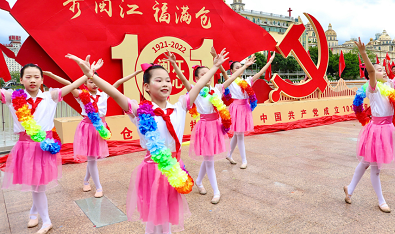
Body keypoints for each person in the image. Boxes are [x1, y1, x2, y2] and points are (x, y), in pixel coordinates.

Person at [67, 52, 229, 234]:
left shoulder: (180, 106)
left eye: (167, 80)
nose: (165, 84)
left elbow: (199, 84)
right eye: (158, 80)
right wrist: (91, 76)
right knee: (153, 219)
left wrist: (215, 67)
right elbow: (114, 93)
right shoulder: (140, 111)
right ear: (146, 86)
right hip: (152, 169)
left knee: (167, 217)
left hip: (174, 167)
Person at [1, 63, 87, 234]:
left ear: (42, 80)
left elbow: (73, 86)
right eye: (28, 77)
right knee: (36, 183)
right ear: (21, 79)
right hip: (25, 147)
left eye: (36, 77)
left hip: (44, 146)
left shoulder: (51, 96)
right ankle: (36, 214)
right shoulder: (12, 97)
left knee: (38, 184)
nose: (32, 80)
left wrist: (87, 74)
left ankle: (44, 219)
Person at [43, 65, 142, 198]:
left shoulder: (104, 94)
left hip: (100, 128)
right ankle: (99, 187)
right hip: (87, 128)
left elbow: (119, 82)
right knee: (92, 159)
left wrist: (136, 72)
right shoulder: (81, 95)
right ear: (85, 83)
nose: (94, 84)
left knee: (92, 158)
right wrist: (51, 75)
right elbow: (69, 84)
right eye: (90, 81)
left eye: (95, 81)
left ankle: (85, 180)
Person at [174, 52, 256, 204]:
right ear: (197, 79)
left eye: (208, 73)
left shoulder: (217, 89)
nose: (207, 76)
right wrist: (174, 65)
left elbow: (232, 77)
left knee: (208, 157)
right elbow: (184, 79)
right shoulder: (196, 91)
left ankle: (198, 181)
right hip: (204, 128)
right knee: (209, 159)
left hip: (216, 127)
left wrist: (245, 66)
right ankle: (216, 191)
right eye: (203, 74)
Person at [344, 38, 395, 213]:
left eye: (384, 69)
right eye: (380, 70)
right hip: (376, 130)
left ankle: (349, 189)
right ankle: (381, 200)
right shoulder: (373, 87)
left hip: (387, 129)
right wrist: (363, 53)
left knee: (367, 162)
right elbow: (370, 70)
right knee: (375, 167)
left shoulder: (389, 85)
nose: (384, 71)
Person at [219, 51, 275, 169]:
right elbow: (223, 72)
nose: (240, 69)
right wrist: (217, 60)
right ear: (232, 71)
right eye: (237, 67)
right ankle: (244, 160)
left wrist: (269, 61)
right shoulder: (230, 81)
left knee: (238, 133)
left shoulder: (248, 80)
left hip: (245, 108)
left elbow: (260, 73)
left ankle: (229, 154)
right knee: (240, 135)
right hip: (236, 108)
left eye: (241, 67)